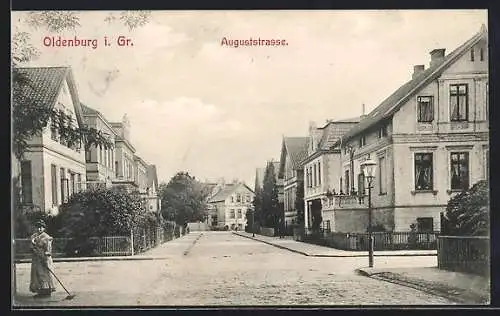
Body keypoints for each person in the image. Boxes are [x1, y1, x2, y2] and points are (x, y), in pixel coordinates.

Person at [29, 219, 56, 298]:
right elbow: (31, 247)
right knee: (36, 274)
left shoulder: (46, 237)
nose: (39, 229)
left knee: (44, 274)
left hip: (44, 258)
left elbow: (48, 250)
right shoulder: (33, 236)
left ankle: (47, 291)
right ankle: (40, 291)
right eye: (37, 227)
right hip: (36, 258)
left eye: (41, 227)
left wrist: (45, 259)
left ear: (44, 228)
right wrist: (33, 248)